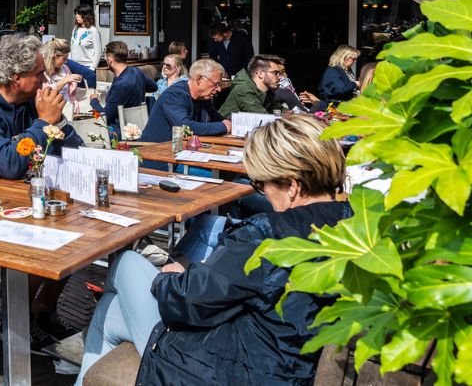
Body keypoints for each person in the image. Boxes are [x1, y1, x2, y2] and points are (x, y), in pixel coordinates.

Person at [75, 115, 352, 386]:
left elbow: (187, 303)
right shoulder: (359, 224)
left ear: (292, 186)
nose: (262, 192)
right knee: (107, 315)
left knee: (126, 264)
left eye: (261, 183)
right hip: (286, 358)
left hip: (235, 366)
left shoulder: (267, 236)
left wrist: (169, 278)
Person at [0, 34, 83, 344]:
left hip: (17, 201)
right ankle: (17, 323)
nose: (46, 80)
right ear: (16, 78)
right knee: (50, 242)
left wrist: (57, 123)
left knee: (79, 233)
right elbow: (7, 163)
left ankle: (42, 309)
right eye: (39, 74)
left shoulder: (26, 101)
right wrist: (44, 121)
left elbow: (71, 145)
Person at [140, 58, 231, 147]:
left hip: (184, 150)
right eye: (216, 84)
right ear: (199, 79)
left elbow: (218, 118)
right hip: (157, 152)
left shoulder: (203, 98)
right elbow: (185, 127)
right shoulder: (174, 95)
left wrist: (231, 124)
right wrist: (223, 127)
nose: (219, 89)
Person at [90, 41, 157, 131]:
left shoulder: (121, 85)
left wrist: (93, 101)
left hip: (119, 131)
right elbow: (154, 87)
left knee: (89, 125)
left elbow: (104, 117)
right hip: (137, 127)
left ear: (110, 59)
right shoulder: (137, 71)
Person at [219, 54, 291, 118]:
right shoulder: (243, 89)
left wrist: (293, 115)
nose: (280, 77)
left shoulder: (267, 91)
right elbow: (263, 118)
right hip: (224, 131)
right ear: (260, 74)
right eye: (275, 73)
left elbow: (278, 109)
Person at [39, 38, 85, 102]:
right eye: (64, 59)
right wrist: (65, 80)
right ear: (53, 56)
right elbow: (44, 94)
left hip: (67, 108)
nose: (66, 61)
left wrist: (75, 102)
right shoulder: (41, 72)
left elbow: (70, 93)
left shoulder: (65, 68)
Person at [69, 3, 102, 70]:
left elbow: (98, 51)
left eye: (79, 14)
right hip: (73, 65)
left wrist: (92, 68)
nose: (76, 16)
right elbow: (71, 47)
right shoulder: (76, 29)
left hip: (87, 67)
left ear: (86, 15)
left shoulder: (93, 31)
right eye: (76, 14)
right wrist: (69, 62)